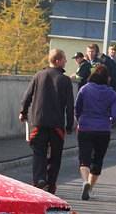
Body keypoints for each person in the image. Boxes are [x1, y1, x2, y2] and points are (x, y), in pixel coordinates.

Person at [19, 49, 75, 194]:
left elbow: (27, 96)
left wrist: (23, 112)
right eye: (64, 59)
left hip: (38, 122)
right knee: (55, 156)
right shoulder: (65, 80)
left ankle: (39, 180)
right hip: (56, 125)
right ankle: (50, 185)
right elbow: (70, 106)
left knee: (39, 153)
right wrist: (69, 126)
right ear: (57, 61)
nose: (66, 62)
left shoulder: (39, 75)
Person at [76, 64, 116, 200]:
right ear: (107, 78)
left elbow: (77, 108)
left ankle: (84, 182)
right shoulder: (111, 93)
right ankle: (89, 187)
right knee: (98, 160)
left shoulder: (84, 89)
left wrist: (80, 120)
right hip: (103, 130)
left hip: (85, 128)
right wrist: (109, 123)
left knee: (84, 159)